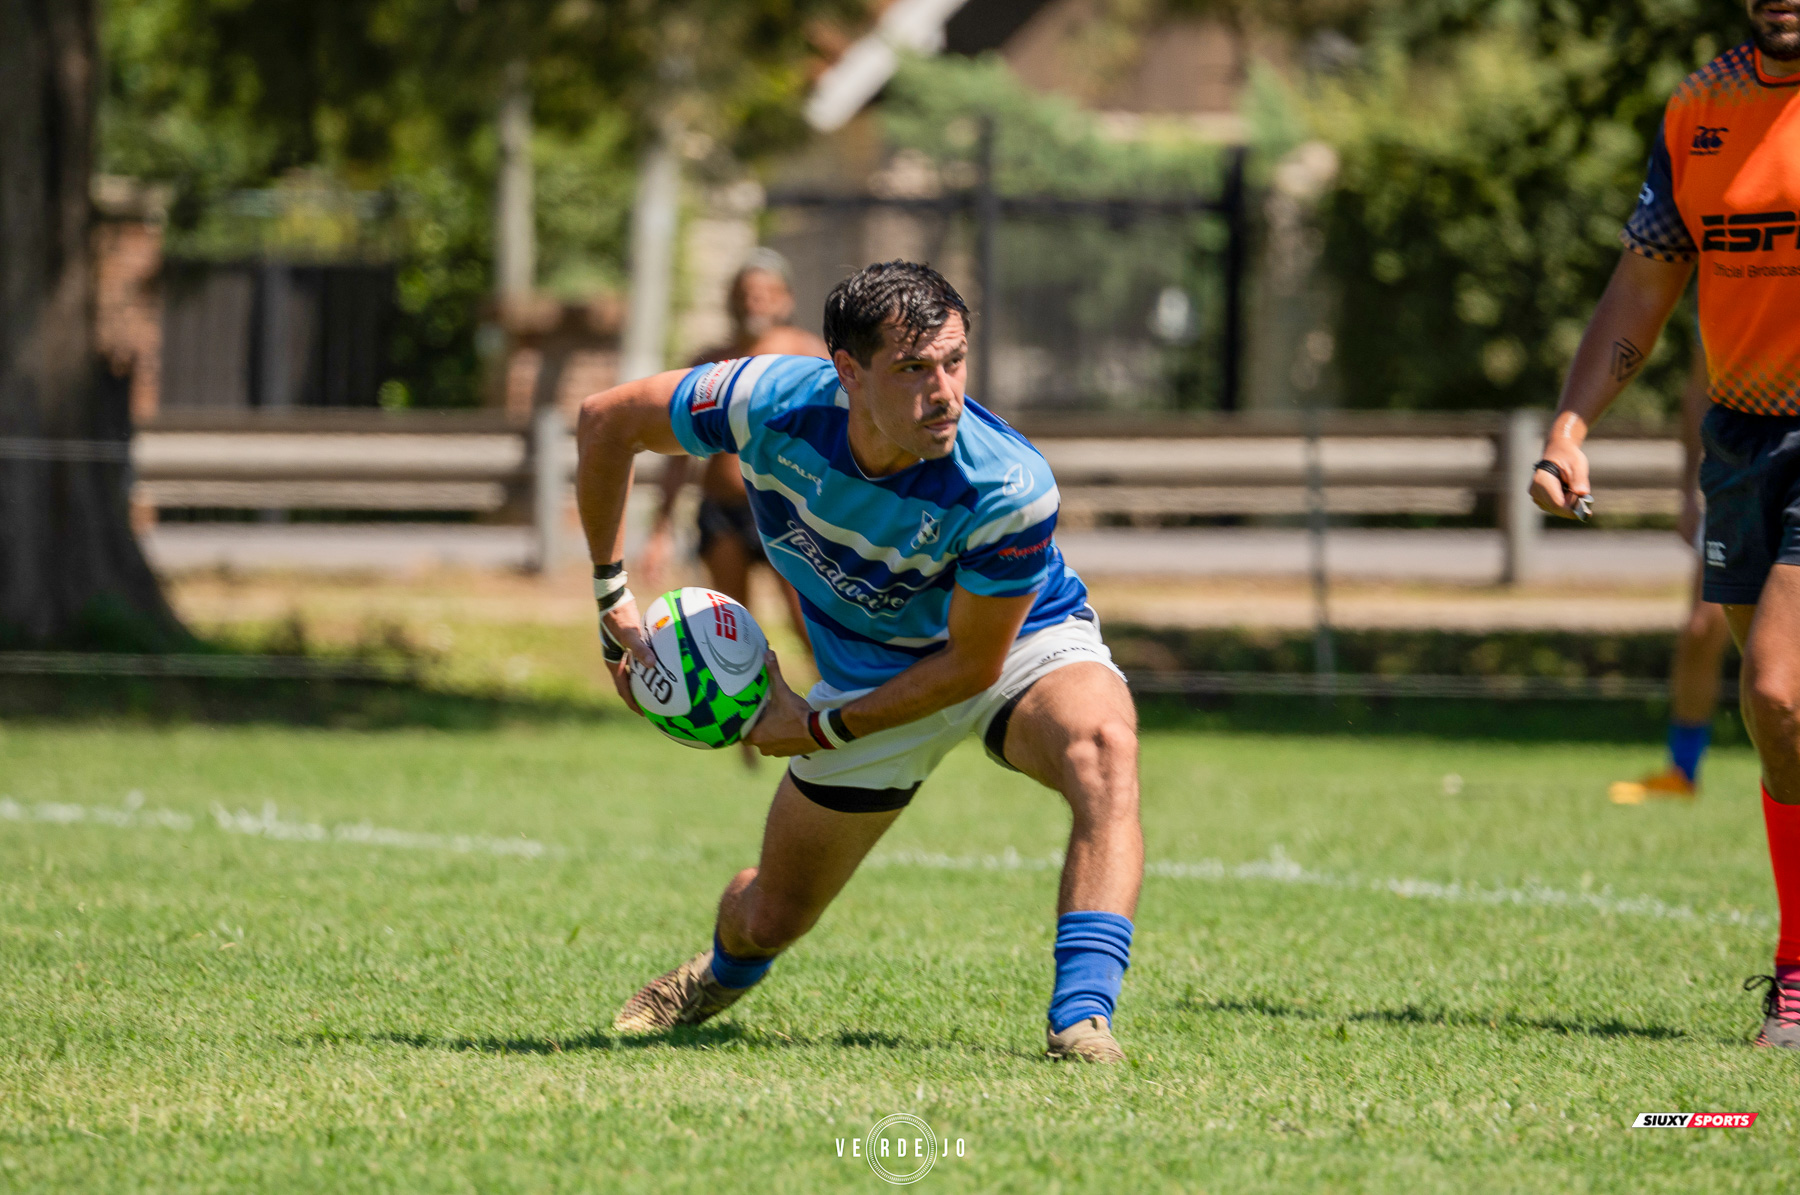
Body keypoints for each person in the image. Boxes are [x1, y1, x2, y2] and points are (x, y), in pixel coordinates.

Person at [576, 261, 1144, 1063]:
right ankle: (719, 972)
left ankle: (1082, 1019)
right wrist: (612, 598)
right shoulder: (765, 401)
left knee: (1105, 750)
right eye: (912, 368)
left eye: (954, 361)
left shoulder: (1010, 486)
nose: (944, 393)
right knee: (770, 916)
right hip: (869, 673)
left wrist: (816, 726)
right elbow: (606, 420)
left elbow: (971, 667)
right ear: (848, 371)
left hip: (1015, 645)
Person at [1530, 1, 1800, 1047]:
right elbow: (1644, 286)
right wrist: (1571, 427)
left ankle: (1795, 972)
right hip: (1739, 442)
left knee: (1774, 685)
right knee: (1781, 725)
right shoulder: (1702, 107)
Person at [1609, 349, 1734, 804]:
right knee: (1702, 629)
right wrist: (1687, 490)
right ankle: (1682, 772)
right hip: (1738, 478)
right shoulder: (1714, 305)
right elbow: (1698, 393)